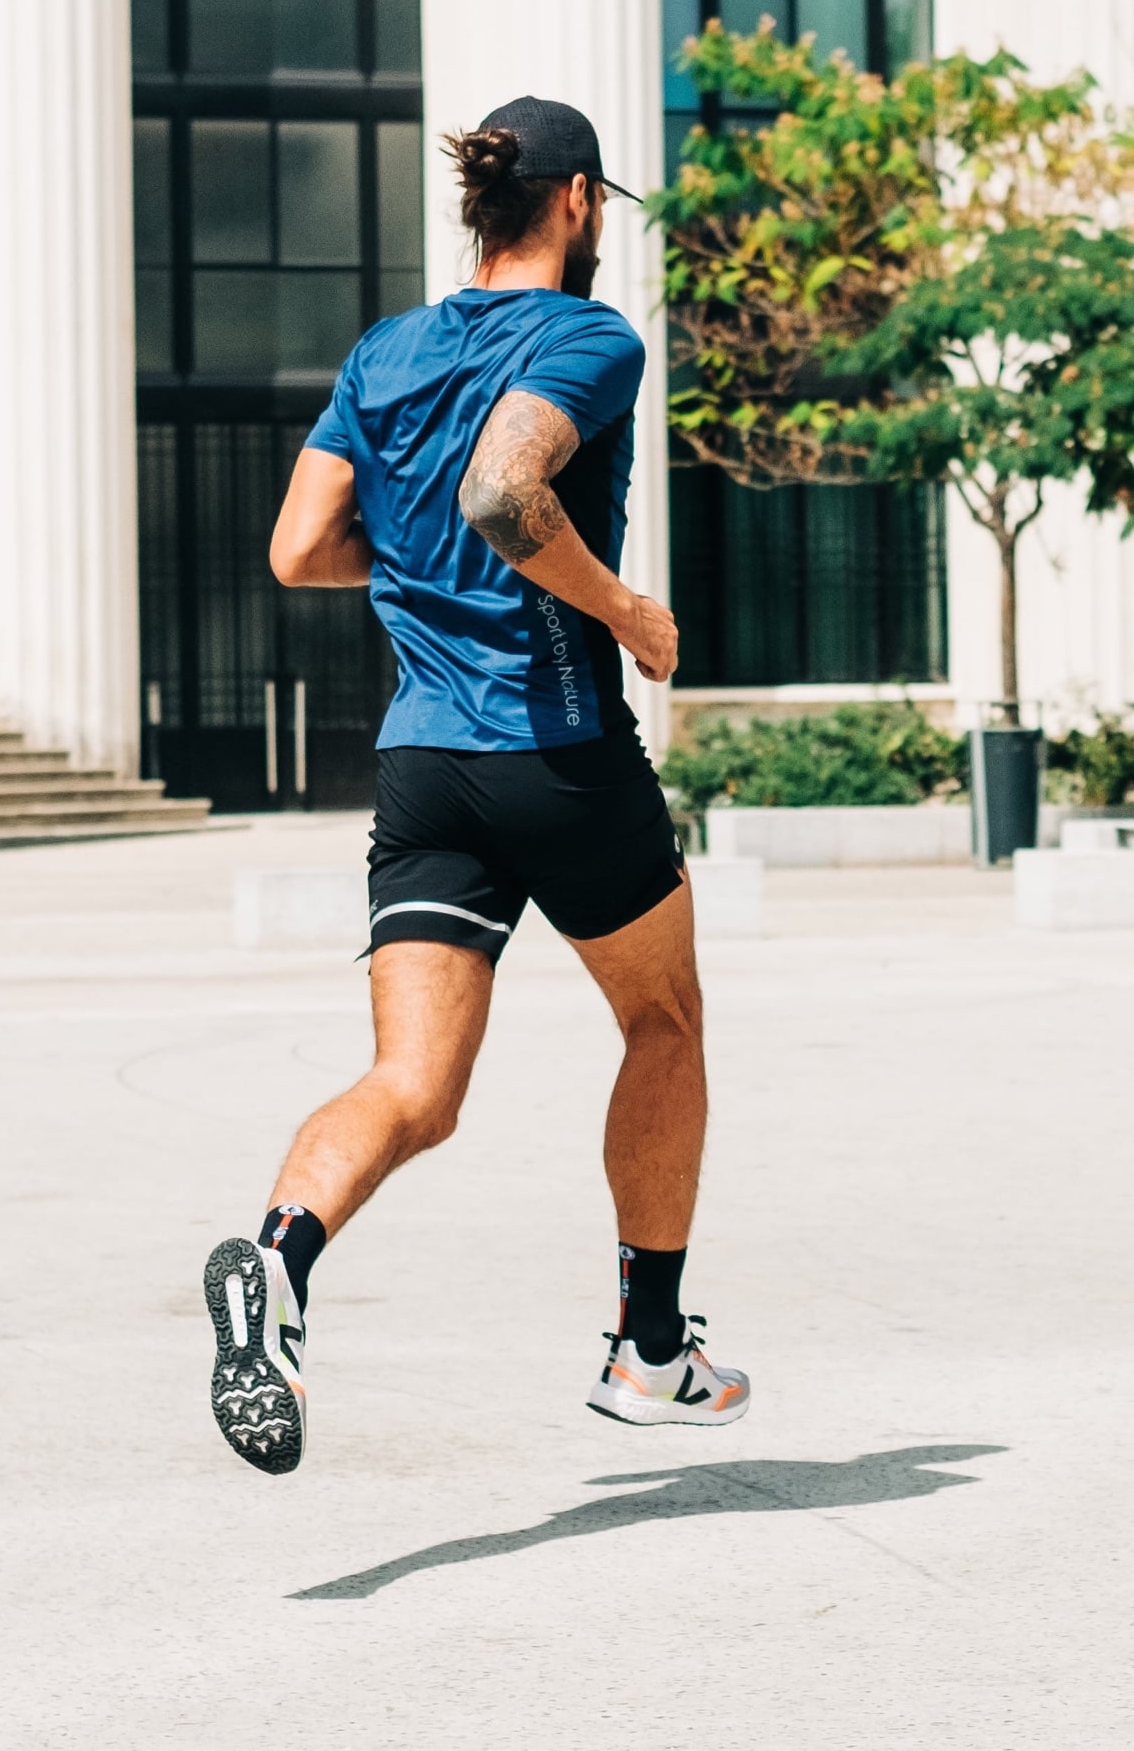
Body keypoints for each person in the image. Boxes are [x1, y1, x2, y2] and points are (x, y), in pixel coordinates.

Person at [203, 96, 748, 1476]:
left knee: (413, 1085)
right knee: (667, 1024)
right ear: (575, 204)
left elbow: (299, 546)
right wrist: (628, 614)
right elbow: (509, 497)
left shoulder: (383, 353)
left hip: (423, 766)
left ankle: (279, 1263)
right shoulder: (585, 337)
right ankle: (650, 1348)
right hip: (557, 751)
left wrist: (416, 590)